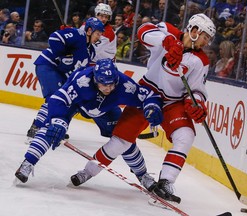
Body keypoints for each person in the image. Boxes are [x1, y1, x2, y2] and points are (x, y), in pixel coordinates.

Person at [71, 13, 215, 204]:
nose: (206, 42)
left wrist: (195, 102)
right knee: (120, 141)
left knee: (186, 135)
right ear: (195, 31)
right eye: (205, 37)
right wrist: (168, 42)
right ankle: (88, 171)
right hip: (147, 93)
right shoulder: (169, 31)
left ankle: (166, 181)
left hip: (173, 103)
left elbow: (197, 88)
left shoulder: (201, 60)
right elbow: (143, 31)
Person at [15, 59, 162, 192]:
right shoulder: (82, 81)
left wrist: (152, 106)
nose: (108, 88)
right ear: (95, 79)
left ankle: (143, 175)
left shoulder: (123, 85)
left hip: (106, 109)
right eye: (104, 84)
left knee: (124, 139)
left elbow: (148, 95)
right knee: (52, 130)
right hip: (76, 104)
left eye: (112, 84)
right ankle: (28, 163)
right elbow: (58, 98)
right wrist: (58, 120)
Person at [25, 17, 105, 143]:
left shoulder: (91, 51)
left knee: (65, 100)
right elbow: (54, 38)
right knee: (53, 98)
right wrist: (63, 54)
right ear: (89, 30)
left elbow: (79, 71)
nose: (99, 37)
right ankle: (36, 128)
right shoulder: (77, 34)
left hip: (61, 73)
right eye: (98, 33)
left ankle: (54, 127)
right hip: (49, 65)